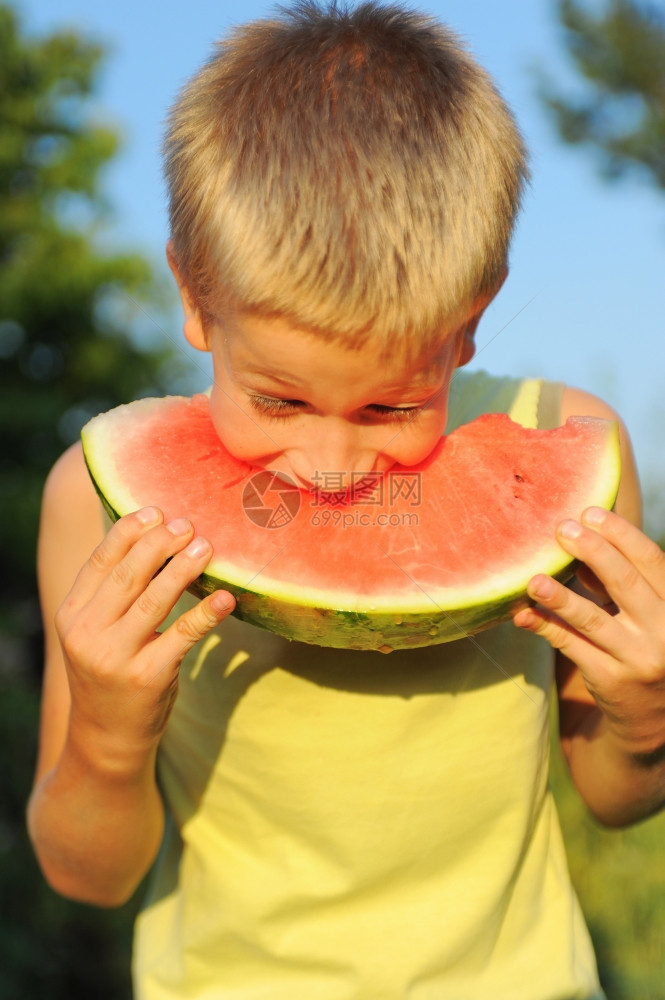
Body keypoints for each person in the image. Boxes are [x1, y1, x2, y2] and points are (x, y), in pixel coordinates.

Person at [28, 3, 665, 998]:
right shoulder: (95, 499)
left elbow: (612, 799)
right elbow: (87, 875)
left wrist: (642, 717)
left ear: (468, 321)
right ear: (195, 296)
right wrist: (108, 739)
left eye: (391, 404)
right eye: (278, 398)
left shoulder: (578, 450)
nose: (329, 460)